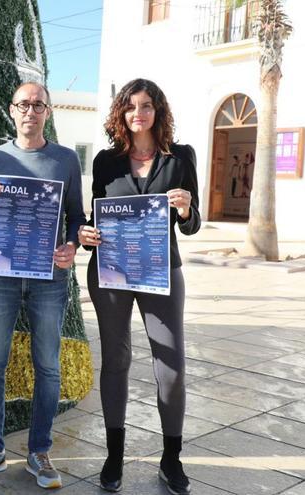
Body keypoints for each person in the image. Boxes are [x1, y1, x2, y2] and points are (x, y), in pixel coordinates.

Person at [79, 78, 200, 495]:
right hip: (110, 272)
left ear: (157, 110)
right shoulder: (105, 161)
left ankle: (172, 458)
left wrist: (184, 209)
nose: (138, 113)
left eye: (145, 106)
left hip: (161, 272)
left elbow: (193, 223)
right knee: (115, 359)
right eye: (130, 107)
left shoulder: (180, 157)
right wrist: (85, 234)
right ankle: (114, 456)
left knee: (171, 365)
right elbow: (94, 216)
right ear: (121, 114)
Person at [0, 82, 85, 489]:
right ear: (12, 111)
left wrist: (70, 245)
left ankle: (39, 452)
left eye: (38, 104)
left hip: (49, 277)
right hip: (0, 276)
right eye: (23, 104)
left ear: (48, 111)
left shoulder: (65, 159)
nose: (30, 111)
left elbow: (76, 216)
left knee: (48, 365)